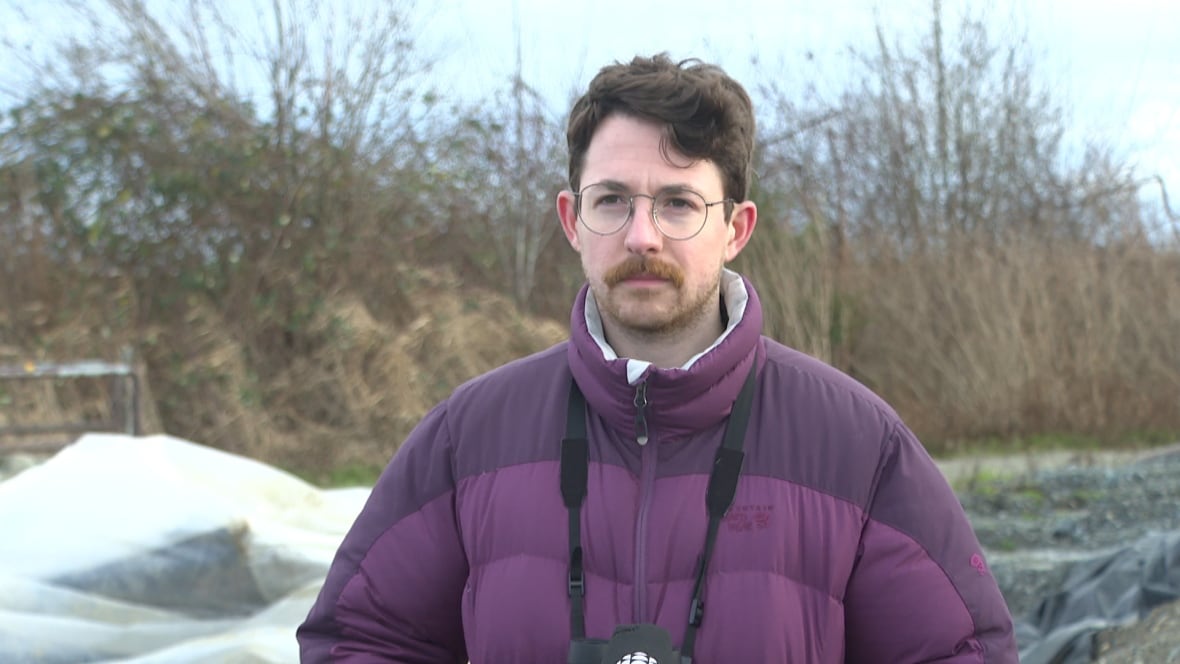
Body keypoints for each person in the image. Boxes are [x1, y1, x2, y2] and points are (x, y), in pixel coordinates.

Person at [297, 54, 1018, 663]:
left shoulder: (858, 445)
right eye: (612, 200)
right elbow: (357, 639)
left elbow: (960, 651)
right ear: (572, 220)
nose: (642, 235)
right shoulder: (469, 437)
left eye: (678, 204)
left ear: (736, 227)